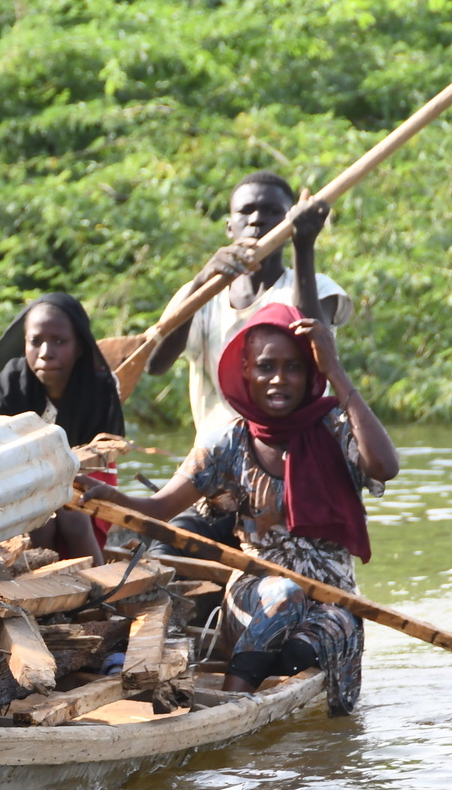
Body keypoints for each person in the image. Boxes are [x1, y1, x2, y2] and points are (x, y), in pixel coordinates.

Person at [79, 302, 398, 714]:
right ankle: (231, 701)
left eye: (294, 368)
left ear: (310, 373)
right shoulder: (227, 443)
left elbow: (385, 467)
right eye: (266, 367)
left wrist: (335, 370)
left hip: (331, 600)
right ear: (246, 371)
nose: (279, 379)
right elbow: (160, 507)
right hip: (258, 593)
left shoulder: (335, 426)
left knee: (327, 634)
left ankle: (266, 690)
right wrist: (114, 499)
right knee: (284, 593)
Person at [145, 170, 353, 552]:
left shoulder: (312, 287)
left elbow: (316, 351)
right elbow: (155, 362)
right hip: (217, 473)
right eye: (247, 212)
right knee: (161, 552)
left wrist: (303, 246)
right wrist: (203, 279)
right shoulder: (200, 295)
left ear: (289, 220)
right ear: (229, 226)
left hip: (284, 474)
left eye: (272, 211)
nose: (257, 220)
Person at [0, 292, 124, 563]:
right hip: (24, 475)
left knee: (74, 519)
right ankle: (43, 580)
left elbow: (103, 452)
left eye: (59, 342)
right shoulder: (10, 382)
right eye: (36, 342)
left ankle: (96, 589)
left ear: (79, 346)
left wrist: (62, 482)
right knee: (41, 520)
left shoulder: (100, 387)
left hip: (90, 472)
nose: (46, 353)